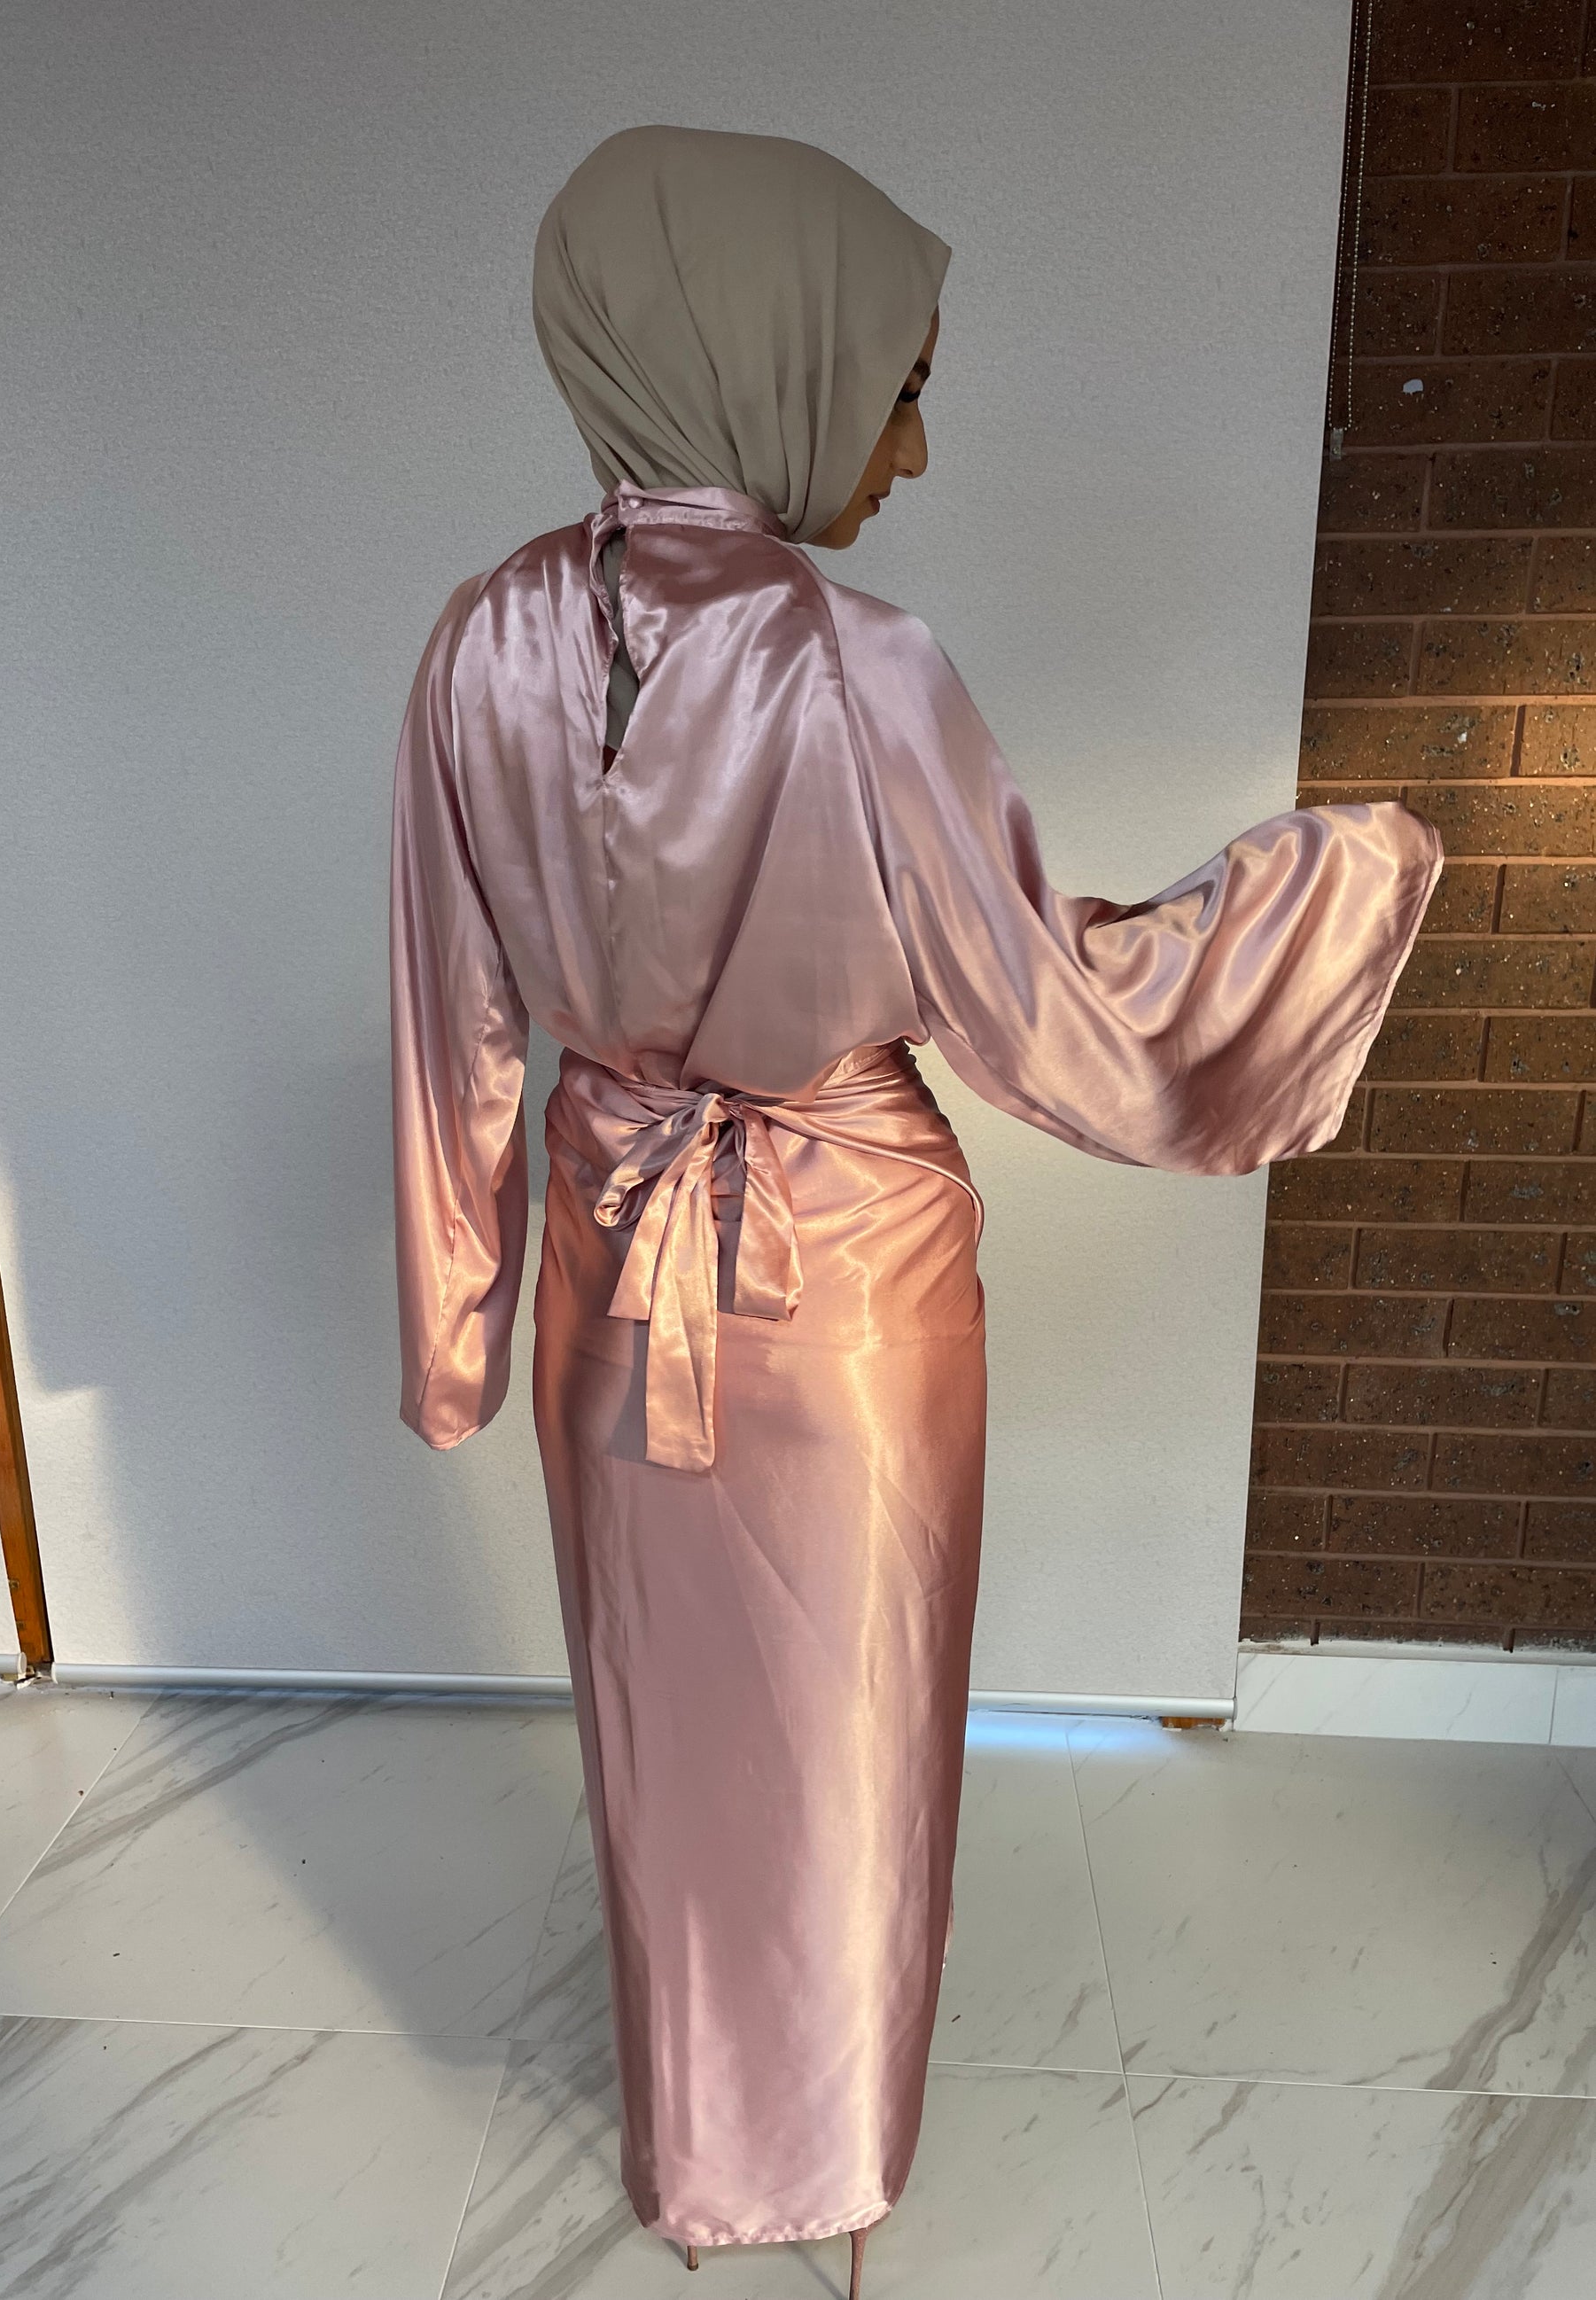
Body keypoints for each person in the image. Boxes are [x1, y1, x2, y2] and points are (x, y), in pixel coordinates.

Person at [390, 123, 1442, 2296]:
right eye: (899, 385)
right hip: (844, 1288)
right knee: (837, 1735)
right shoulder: (856, 666)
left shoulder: (477, 640)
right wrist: (1328, 885)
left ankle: (711, 2149)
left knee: (670, 1734)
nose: (917, 446)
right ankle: (819, 2161)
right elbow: (1052, 1006)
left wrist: (458, 1325)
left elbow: (451, 1015)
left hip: (608, 1263)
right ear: (763, 359)